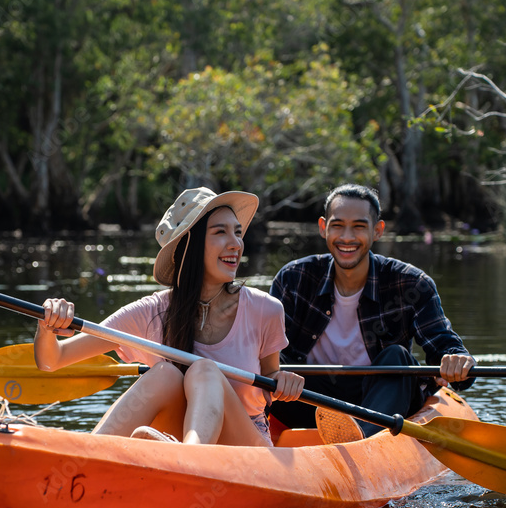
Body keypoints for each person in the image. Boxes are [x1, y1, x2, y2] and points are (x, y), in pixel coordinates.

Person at [35, 187, 305, 446]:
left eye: (237, 232)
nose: (236, 244)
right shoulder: (150, 312)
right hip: (177, 444)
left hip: (246, 448)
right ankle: (89, 455)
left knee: (204, 369)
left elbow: (270, 379)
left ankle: (190, 457)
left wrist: (283, 381)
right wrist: (47, 325)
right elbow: (53, 360)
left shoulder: (265, 309)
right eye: (220, 232)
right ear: (189, 245)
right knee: (165, 374)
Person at [268, 183, 475, 440]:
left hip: (381, 399)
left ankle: (360, 440)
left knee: (397, 358)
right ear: (323, 227)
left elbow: (443, 345)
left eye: (359, 226)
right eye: (337, 225)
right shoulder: (293, 278)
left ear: (377, 231)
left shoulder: (411, 283)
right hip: (309, 399)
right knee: (277, 365)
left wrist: (456, 360)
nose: (347, 237)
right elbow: (263, 349)